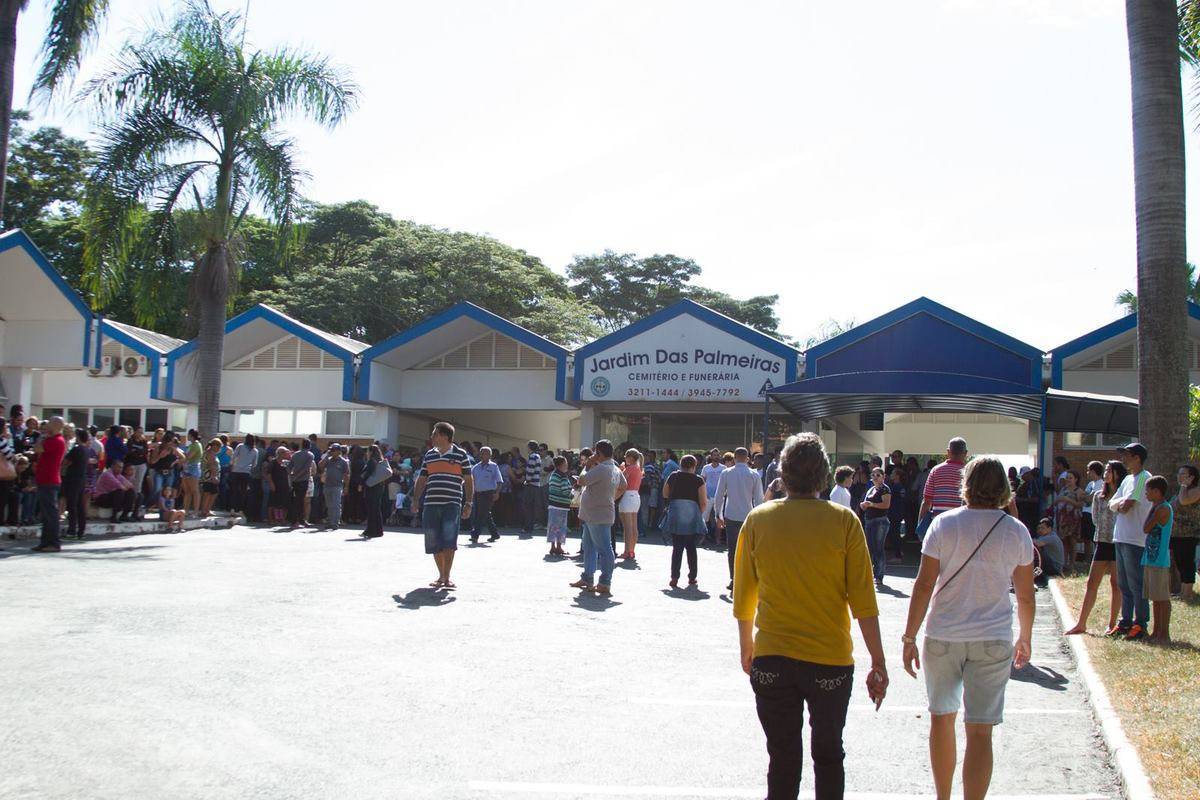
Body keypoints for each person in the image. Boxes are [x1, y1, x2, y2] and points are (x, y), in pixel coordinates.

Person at [733, 433, 887, 800]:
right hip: (830, 662)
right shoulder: (845, 521)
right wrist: (878, 661)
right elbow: (864, 601)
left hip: (772, 657)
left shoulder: (758, 520)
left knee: (782, 759)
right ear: (824, 474)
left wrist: (746, 647)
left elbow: (743, 597)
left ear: (783, 472)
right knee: (829, 756)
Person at [901, 456, 1035, 800]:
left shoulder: (943, 524)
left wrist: (909, 636)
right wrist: (1026, 637)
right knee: (980, 732)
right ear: (1005, 489)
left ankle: (943, 797)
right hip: (993, 637)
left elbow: (923, 583)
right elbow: (1025, 595)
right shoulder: (1016, 531)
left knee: (941, 720)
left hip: (944, 634)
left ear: (967, 485)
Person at [1065, 460, 1126, 636]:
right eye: (1106, 470)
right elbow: (1095, 519)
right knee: (1092, 583)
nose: (1106, 473)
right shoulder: (1099, 496)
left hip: (1117, 543)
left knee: (1116, 584)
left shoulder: (1122, 495)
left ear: (1118, 474)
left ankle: (1112, 624)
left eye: (1110, 471)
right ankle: (1081, 623)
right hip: (1102, 542)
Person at [411, 422, 473, 588]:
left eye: (435, 434)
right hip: (431, 503)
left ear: (445, 436)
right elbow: (422, 478)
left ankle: (446, 576)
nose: (432, 437)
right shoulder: (429, 455)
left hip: (452, 503)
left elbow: (468, 479)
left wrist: (468, 502)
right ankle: (441, 575)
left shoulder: (461, 454)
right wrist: (416, 499)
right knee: (432, 539)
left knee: (449, 539)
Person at [569, 439, 627, 597]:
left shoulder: (601, 468)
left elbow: (581, 480)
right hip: (595, 513)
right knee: (589, 547)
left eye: (595, 452)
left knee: (604, 549)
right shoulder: (614, 468)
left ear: (599, 453)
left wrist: (587, 465)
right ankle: (588, 578)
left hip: (596, 514)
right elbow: (623, 486)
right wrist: (611, 498)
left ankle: (604, 582)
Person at [1110, 442, 1153, 641]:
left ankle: (1140, 623)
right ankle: (1125, 621)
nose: (1123, 459)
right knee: (1124, 584)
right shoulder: (1128, 479)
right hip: (1121, 537)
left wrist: (1119, 504)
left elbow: (1127, 506)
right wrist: (1119, 503)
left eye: (1126, 455)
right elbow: (1113, 503)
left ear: (1137, 458)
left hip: (1135, 539)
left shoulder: (1144, 478)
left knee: (1136, 584)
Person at [714, 447, 764, 592]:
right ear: (747, 458)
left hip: (731, 515)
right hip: (748, 516)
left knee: (732, 549)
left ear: (734, 458)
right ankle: (748, 578)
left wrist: (718, 515)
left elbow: (719, 496)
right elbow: (759, 499)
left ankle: (733, 579)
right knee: (748, 549)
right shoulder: (754, 475)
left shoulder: (726, 473)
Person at [661, 454, 707, 588]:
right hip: (692, 515)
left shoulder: (673, 476)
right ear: (694, 466)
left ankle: (674, 577)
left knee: (677, 547)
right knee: (691, 547)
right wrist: (699, 515)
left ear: (680, 464)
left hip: (676, 513)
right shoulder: (698, 480)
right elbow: (703, 502)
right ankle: (692, 577)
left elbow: (665, 493)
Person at [1139, 475, 1173, 643]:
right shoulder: (1156, 506)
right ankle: (1156, 632)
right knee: (1155, 598)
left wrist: (1153, 508)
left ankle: (1164, 634)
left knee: (1162, 598)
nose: (1146, 494)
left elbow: (1146, 527)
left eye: (1148, 490)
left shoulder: (1163, 509)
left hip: (1159, 559)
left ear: (1157, 491)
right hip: (1150, 558)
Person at [29, 416, 67, 552]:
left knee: (50, 514)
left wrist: (42, 435)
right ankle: (45, 542)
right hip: (45, 480)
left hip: (49, 481)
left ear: (56, 425)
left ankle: (53, 543)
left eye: (50, 423)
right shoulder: (52, 439)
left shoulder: (56, 440)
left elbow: (38, 448)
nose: (47, 425)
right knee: (46, 514)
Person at [918, 438, 968, 538]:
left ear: (948, 452)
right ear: (966, 453)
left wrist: (920, 524)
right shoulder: (969, 472)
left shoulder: (935, 471)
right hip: (961, 524)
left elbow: (927, 501)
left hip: (938, 523)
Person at [1170, 464, 1200, 603]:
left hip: (1189, 534)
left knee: (1187, 563)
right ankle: (1183, 591)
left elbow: (1184, 501)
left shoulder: (1196, 490)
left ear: (1192, 477)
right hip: (1176, 534)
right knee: (1180, 563)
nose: (1179, 476)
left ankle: (1187, 593)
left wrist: (1183, 486)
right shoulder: (1182, 490)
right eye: (1179, 474)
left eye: (1183, 474)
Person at [861, 466, 892, 588]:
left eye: (877, 475)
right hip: (869, 520)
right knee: (870, 547)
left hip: (880, 521)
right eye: (873, 475)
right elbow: (865, 503)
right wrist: (864, 505)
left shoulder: (885, 489)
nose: (874, 477)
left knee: (878, 548)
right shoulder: (871, 489)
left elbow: (886, 505)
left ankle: (879, 576)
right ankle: (871, 573)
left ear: (883, 477)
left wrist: (871, 504)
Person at [62, 428, 91, 539]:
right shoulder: (86, 449)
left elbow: (65, 462)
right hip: (81, 479)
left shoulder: (77, 449)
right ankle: (81, 530)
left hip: (73, 479)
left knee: (72, 505)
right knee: (80, 505)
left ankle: (72, 530)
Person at [469, 446, 502, 543]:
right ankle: (494, 534)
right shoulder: (475, 467)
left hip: (489, 494)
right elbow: (470, 480)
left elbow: (499, 481)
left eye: (486, 453)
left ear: (490, 455)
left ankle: (475, 535)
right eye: (482, 453)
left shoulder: (493, 466)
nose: (483, 455)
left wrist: (497, 493)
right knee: (485, 514)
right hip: (478, 494)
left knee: (481, 514)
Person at [1053, 470, 1085, 573]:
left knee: (1072, 541)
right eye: (1067, 478)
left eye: (1070, 478)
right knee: (1064, 541)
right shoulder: (1063, 489)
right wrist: (1059, 499)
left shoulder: (1079, 491)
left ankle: (1072, 564)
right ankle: (1064, 563)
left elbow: (1080, 505)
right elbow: (1056, 501)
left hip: (1073, 518)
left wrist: (1067, 500)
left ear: (1076, 479)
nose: (1068, 480)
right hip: (1062, 517)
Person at [360, 444, 393, 539]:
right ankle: (378, 530)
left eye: (367, 451)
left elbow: (367, 474)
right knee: (376, 509)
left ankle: (370, 531)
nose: (366, 453)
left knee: (371, 510)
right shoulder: (380, 461)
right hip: (379, 487)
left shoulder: (371, 461)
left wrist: (361, 483)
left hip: (371, 487)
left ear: (370, 452)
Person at [618, 448, 643, 559]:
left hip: (627, 496)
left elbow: (620, 481)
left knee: (627, 527)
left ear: (630, 458)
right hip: (636, 496)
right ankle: (632, 550)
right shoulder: (638, 468)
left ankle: (626, 551)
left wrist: (621, 469)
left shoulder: (630, 468)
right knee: (634, 526)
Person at [319, 443, 350, 531]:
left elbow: (347, 475)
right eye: (331, 450)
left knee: (336, 505)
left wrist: (346, 487)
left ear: (339, 451)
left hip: (337, 486)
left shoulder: (343, 462)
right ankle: (330, 521)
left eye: (333, 450)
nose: (331, 452)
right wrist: (327, 456)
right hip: (327, 485)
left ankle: (335, 523)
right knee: (329, 505)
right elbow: (320, 466)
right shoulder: (328, 460)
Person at [547, 455, 573, 556]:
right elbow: (565, 491)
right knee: (561, 527)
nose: (566, 465)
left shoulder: (553, 475)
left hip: (553, 505)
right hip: (561, 506)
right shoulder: (562, 476)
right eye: (565, 463)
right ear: (561, 465)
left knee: (553, 526)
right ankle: (559, 547)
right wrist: (573, 492)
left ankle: (552, 547)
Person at [230, 434, 258, 514]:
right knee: (243, 492)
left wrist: (232, 465)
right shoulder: (255, 451)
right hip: (246, 472)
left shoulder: (240, 446)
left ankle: (232, 509)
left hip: (236, 471)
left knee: (234, 491)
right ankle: (240, 510)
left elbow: (234, 456)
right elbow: (254, 464)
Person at [701, 448, 726, 538]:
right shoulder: (706, 468)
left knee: (719, 518)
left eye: (717, 455)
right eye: (714, 455)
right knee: (704, 518)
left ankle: (718, 540)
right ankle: (702, 538)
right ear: (711, 456)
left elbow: (726, 482)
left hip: (719, 496)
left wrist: (723, 493)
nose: (716, 457)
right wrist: (704, 494)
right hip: (708, 496)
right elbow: (702, 481)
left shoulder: (724, 468)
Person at [1032, 518, 1065, 586]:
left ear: (1049, 528)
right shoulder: (1044, 536)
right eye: (1039, 528)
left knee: (1036, 550)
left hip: (1056, 567)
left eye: (1043, 528)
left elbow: (1036, 544)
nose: (1040, 530)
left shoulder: (1052, 537)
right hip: (1051, 565)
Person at [125, 428, 148, 519]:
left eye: (141, 432)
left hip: (141, 464)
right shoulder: (130, 441)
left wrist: (137, 452)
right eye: (138, 432)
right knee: (130, 485)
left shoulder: (143, 441)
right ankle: (128, 508)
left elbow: (145, 451)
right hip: (132, 464)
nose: (140, 434)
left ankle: (136, 509)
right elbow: (130, 452)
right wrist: (138, 452)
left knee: (138, 487)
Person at [886, 466, 908, 563]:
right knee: (896, 533)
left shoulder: (895, 487)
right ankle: (899, 552)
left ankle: (897, 555)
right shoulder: (901, 487)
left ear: (897, 476)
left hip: (894, 513)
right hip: (898, 512)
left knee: (894, 534)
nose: (891, 475)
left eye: (893, 474)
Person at [520, 440, 542, 535]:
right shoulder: (538, 456)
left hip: (531, 484)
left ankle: (527, 527)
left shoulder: (532, 456)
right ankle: (530, 526)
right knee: (532, 507)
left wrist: (527, 480)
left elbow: (530, 471)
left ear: (530, 447)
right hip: (536, 484)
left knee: (527, 506)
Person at [180, 429, 203, 517]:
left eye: (188, 435)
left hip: (193, 469)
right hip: (186, 469)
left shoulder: (196, 445)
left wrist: (180, 456)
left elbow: (188, 456)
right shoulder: (191, 445)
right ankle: (185, 510)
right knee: (187, 491)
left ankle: (196, 511)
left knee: (195, 490)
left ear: (191, 435)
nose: (187, 436)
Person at [639, 449, 662, 533]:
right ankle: (648, 524)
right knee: (649, 506)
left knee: (648, 507)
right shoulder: (652, 466)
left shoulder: (650, 466)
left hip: (652, 488)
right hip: (651, 488)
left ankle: (647, 524)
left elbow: (647, 479)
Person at [199, 438, 221, 517]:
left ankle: (206, 510)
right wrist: (214, 476)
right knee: (208, 493)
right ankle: (205, 510)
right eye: (218, 446)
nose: (219, 448)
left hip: (210, 477)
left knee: (212, 493)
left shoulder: (210, 453)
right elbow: (212, 465)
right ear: (214, 446)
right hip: (209, 477)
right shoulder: (210, 453)